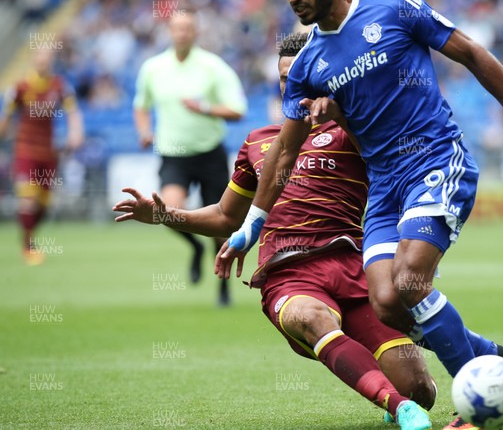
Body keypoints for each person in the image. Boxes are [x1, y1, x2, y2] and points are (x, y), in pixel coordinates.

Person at [217, 0, 503, 428]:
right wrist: (251, 226)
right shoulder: (306, 67)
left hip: (434, 160)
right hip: (384, 186)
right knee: (386, 300)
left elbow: (470, 52)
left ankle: (480, 403)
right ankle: (495, 359)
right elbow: (284, 152)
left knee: (410, 278)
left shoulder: (394, 8)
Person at [116, 32, 437, 429]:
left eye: (303, 74)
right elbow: (226, 216)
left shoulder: (355, 129)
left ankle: (404, 398)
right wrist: (166, 216)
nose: (293, 85)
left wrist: (342, 112)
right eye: (286, 78)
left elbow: (398, 166)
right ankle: (395, 406)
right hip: (289, 272)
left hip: (354, 267)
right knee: (312, 317)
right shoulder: (258, 142)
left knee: (421, 390)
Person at [133, 10, 247, 304]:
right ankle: (195, 248)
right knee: (166, 211)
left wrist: (205, 108)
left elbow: (237, 110)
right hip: (174, 155)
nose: (182, 33)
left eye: (188, 29)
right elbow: (141, 105)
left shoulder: (213, 67)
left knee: (223, 225)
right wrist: (145, 131)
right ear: (169, 32)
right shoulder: (153, 68)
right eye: (177, 28)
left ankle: (223, 288)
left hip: (210, 153)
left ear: (195, 32)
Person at [0, 48, 84, 265]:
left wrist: (76, 133)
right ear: (33, 61)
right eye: (40, 59)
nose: (43, 63)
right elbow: (6, 117)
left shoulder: (59, 86)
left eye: (47, 60)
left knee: (43, 204)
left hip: (48, 152)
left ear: (51, 61)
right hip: (25, 150)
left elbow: (73, 112)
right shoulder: (20, 87)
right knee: (28, 199)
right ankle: (28, 247)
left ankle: (30, 237)